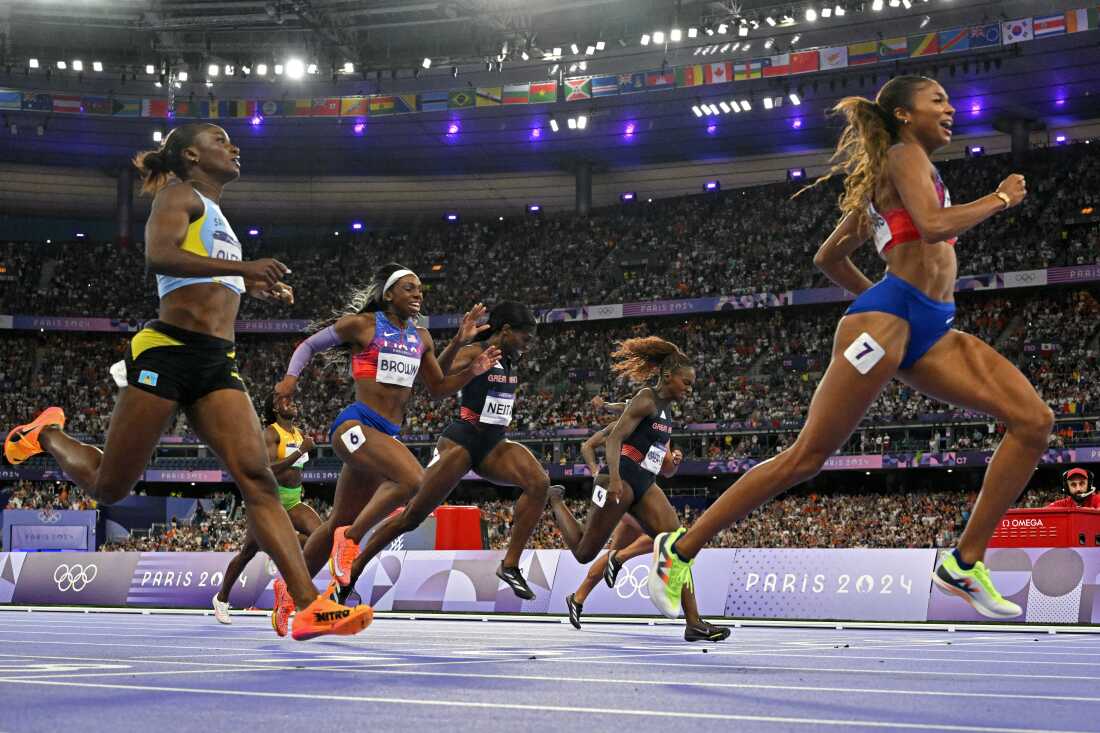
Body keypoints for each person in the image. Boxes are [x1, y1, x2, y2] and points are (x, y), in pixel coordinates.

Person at [648, 75, 1047, 622]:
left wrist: (891, 301)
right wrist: (1000, 198)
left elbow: (829, 259)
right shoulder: (906, 156)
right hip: (886, 324)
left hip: (927, 324)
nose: (950, 110)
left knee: (1033, 420)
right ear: (904, 116)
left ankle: (964, 561)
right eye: (938, 101)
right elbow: (931, 228)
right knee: (807, 457)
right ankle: (679, 551)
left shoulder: (901, 173)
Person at [3, 123, 369, 640]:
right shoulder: (179, 195)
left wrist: (253, 286)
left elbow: (209, 278)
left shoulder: (220, 218)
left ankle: (308, 604)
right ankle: (45, 434)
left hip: (217, 360)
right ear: (192, 155)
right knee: (111, 485)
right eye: (221, 140)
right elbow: (160, 255)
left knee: (258, 479)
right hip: (169, 348)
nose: (234, 146)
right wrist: (244, 266)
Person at [271, 263, 498, 631]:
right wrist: (289, 380)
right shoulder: (362, 325)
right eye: (409, 288)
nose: (418, 294)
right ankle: (353, 540)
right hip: (353, 425)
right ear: (389, 293)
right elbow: (310, 344)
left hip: (382, 437)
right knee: (412, 480)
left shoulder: (422, 337)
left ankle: (286, 587)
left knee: (334, 523)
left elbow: (438, 388)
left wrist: (465, 357)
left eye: (421, 289)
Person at [332, 302, 552, 601]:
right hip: (461, 442)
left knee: (539, 483)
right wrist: (459, 341)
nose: (529, 345)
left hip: (494, 444)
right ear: (506, 331)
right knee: (411, 516)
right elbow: (437, 375)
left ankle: (510, 566)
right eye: (525, 338)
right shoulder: (475, 352)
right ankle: (352, 571)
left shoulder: (510, 357)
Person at [549, 337, 728, 642]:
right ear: (669, 377)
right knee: (583, 551)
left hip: (645, 481)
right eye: (686, 382)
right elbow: (614, 439)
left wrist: (671, 461)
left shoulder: (666, 411)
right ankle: (554, 501)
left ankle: (694, 622)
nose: (689, 389)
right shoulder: (646, 398)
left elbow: (661, 460)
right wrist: (614, 477)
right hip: (620, 478)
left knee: (679, 546)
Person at [212, 392, 322, 624]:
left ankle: (287, 585)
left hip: (292, 501)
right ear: (274, 409)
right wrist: (301, 451)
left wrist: (301, 449)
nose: (292, 402)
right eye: (285, 401)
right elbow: (268, 469)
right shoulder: (271, 433)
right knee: (247, 552)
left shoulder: (298, 433)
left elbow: (296, 472)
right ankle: (221, 599)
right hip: (268, 502)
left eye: (291, 399)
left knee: (322, 536)